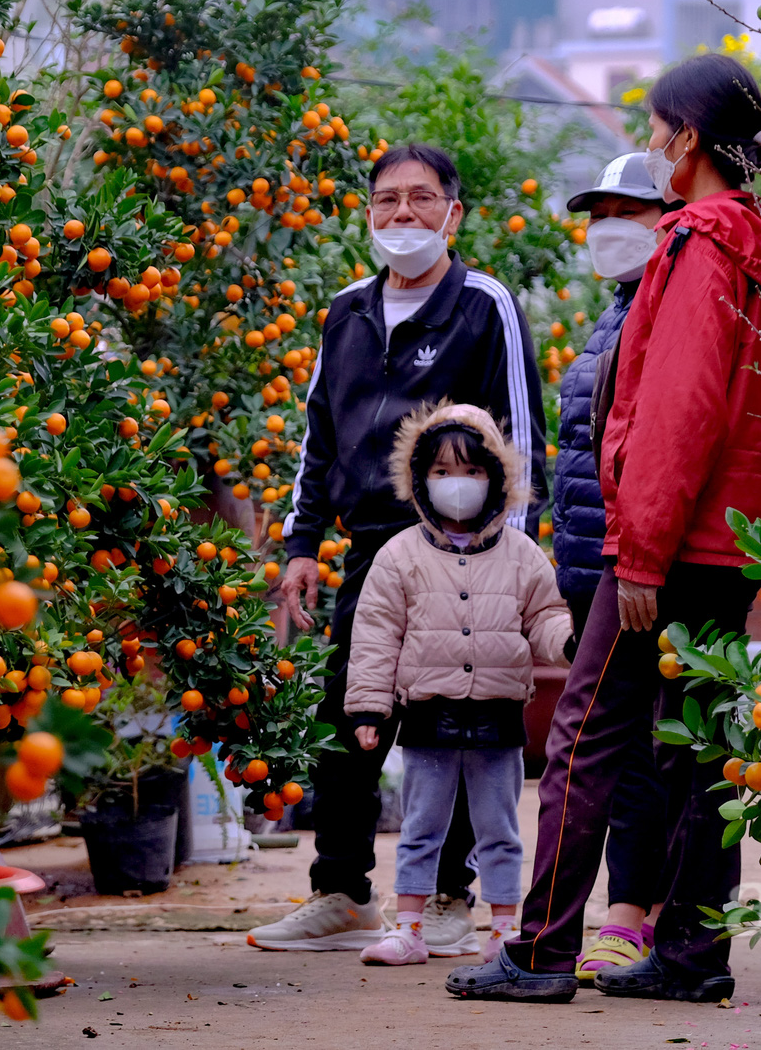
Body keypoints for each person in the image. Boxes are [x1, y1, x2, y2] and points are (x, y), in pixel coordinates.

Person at [446, 53, 761, 1003]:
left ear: (686, 140)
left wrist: (639, 552)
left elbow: (680, 411)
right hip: (732, 544)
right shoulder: (760, 249)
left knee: (585, 735)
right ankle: (690, 956)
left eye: (654, 131)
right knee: (693, 747)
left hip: (670, 543)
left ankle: (542, 950)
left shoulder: (696, 244)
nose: (650, 146)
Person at [247, 142, 550, 956]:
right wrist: (302, 542)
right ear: (369, 214)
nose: (403, 214)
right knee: (350, 710)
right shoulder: (346, 310)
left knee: (456, 719)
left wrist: (509, 564)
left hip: (465, 547)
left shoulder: (484, 305)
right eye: (387, 201)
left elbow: (523, 436)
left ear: (453, 213)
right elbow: (319, 435)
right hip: (371, 550)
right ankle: (342, 893)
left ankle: (451, 896)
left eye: (421, 199)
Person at [343, 402, 571, 967]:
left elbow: (545, 615)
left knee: (499, 829)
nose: (458, 485)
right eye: (442, 472)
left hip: (498, 715)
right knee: (421, 826)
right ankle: (411, 929)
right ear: (420, 480)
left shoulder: (522, 555)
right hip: (427, 713)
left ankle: (501, 933)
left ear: (496, 478)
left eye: (471, 471)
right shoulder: (399, 555)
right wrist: (369, 710)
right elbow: (375, 633)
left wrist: (568, 640)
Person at [551, 152, 673, 982]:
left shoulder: (663, 310)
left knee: (632, 744)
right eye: (598, 215)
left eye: (629, 212)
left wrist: (635, 555)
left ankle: (633, 912)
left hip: (635, 560)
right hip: (591, 558)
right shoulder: (617, 312)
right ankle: (630, 913)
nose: (608, 230)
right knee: (623, 745)